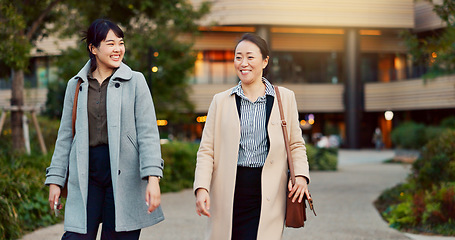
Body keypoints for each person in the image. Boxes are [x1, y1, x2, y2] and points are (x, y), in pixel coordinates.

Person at [45, 19, 164, 240]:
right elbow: (65, 136)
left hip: (124, 174)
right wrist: (55, 181)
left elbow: (148, 134)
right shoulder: (77, 85)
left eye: (120, 42)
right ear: (93, 48)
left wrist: (153, 179)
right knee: (76, 236)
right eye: (110, 43)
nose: (118, 49)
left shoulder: (136, 81)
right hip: (87, 172)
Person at [194, 33, 311, 240]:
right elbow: (206, 150)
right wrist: (202, 187)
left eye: (250, 57)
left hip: (269, 191)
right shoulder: (220, 101)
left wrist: (301, 175)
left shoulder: (284, 98)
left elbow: (295, 144)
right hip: (229, 190)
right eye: (238, 57)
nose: (243, 63)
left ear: (265, 61)